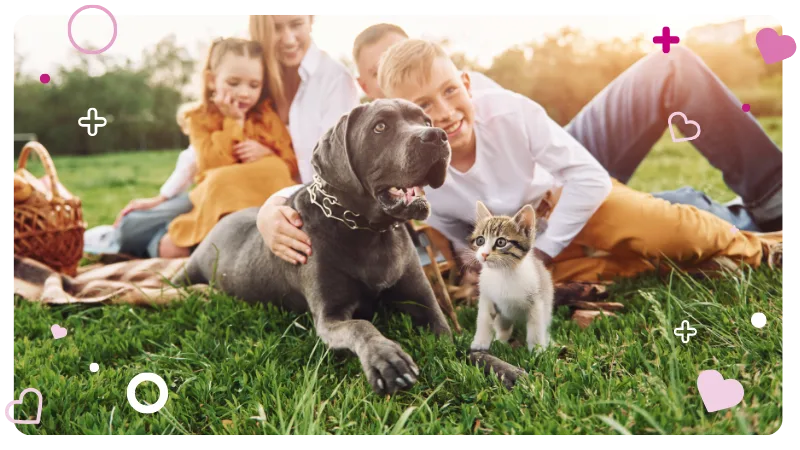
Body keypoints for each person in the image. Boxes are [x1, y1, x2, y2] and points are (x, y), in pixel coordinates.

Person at [256, 38, 784, 284]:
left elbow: (578, 175)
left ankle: (769, 197)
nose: (433, 115)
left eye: (447, 91)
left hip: (549, 165)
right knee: (659, 231)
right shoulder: (377, 148)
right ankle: (736, 220)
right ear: (365, 90)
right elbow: (326, 182)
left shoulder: (490, 105)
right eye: (414, 105)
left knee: (668, 73)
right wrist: (271, 207)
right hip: (514, 221)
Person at [88, 14, 360, 258]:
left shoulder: (333, 80)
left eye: (296, 24)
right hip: (218, 188)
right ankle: (148, 241)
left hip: (273, 193)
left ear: (312, 19)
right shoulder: (256, 68)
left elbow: (324, 169)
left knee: (185, 219)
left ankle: (174, 246)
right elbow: (198, 155)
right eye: (276, 27)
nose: (287, 38)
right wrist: (163, 195)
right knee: (133, 224)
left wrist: (271, 157)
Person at [163, 37, 300, 258]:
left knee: (275, 170)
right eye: (234, 83)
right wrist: (233, 122)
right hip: (216, 204)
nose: (244, 93)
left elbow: (291, 162)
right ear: (211, 80)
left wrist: (269, 153)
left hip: (259, 203)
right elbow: (211, 162)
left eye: (253, 85)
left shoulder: (265, 115)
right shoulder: (199, 118)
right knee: (165, 244)